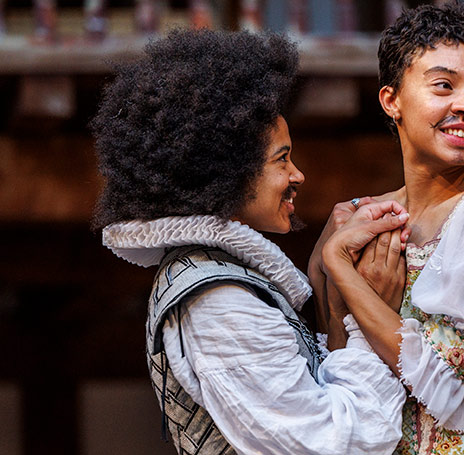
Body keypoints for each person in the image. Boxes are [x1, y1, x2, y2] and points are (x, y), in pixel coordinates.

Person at [91, 29, 410, 455]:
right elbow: (334, 445)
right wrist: (373, 323)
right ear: (228, 170)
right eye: (282, 159)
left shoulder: (216, 277)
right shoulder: (220, 302)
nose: (297, 176)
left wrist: (333, 297)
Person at [314, 3, 464, 454]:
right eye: (444, 85)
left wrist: (339, 268)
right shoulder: (362, 217)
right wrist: (328, 282)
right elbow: (339, 363)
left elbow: (443, 379)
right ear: (392, 101)